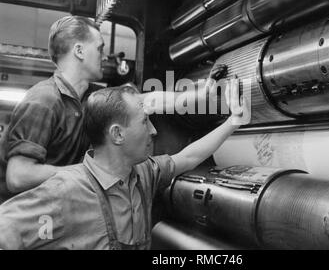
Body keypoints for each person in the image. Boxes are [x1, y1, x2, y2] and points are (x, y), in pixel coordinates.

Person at [0, 79, 250, 250]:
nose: (153, 131)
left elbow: (187, 158)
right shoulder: (65, 191)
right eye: (144, 122)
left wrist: (234, 121)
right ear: (117, 134)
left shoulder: (143, 174)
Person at [3, 16, 227, 194]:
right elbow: (19, 176)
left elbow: (148, 101)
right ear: (79, 51)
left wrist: (202, 94)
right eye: (99, 48)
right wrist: (89, 174)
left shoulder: (94, 98)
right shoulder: (43, 100)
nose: (104, 55)